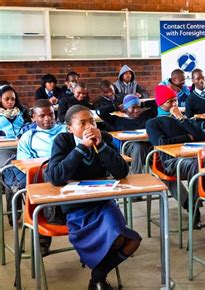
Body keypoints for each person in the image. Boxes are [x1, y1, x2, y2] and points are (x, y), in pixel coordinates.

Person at [46, 105, 140, 290]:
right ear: (70, 128)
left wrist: (102, 146)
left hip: (102, 200)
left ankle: (97, 276)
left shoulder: (103, 137)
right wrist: (81, 147)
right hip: (75, 205)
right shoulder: (63, 140)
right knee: (114, 239)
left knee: (128, 240)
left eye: (91, 121)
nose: (89, 127)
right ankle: (99, 278)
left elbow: (122, 171)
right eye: (82, 123)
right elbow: (56, 177)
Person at [2, 99, 66, 254]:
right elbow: (27, 166)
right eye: (42, 115)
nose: (47, 119)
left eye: (50, 114)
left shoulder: (65, 131)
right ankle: (43, 240)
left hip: (67, 177)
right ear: (33, 118)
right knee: (37, 192)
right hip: (42, 181)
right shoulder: (28, 137)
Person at [146, 85, 205, 228]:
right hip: (169, 161)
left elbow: (200, 136)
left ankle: (198, 200)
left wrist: (181, 118)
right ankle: (193, 206)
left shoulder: (181, 118)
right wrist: (187, 137)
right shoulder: (153, 123)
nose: (174, 105)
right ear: (160, 104)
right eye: (170, 102)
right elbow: (161, 143)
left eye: (176, 101)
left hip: (191, 156)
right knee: (194, 166)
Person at [99, 94, 156, 173]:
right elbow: (100, 112)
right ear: (125, 109)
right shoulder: (117, 120)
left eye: (138, 107)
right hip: (128, 146)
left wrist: (142, 104)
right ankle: (137, 175)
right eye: (133, 107)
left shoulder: (146, 116)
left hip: (147, 143)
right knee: (138, 147)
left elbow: (158, 103)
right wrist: (117, 107)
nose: (136, 110)